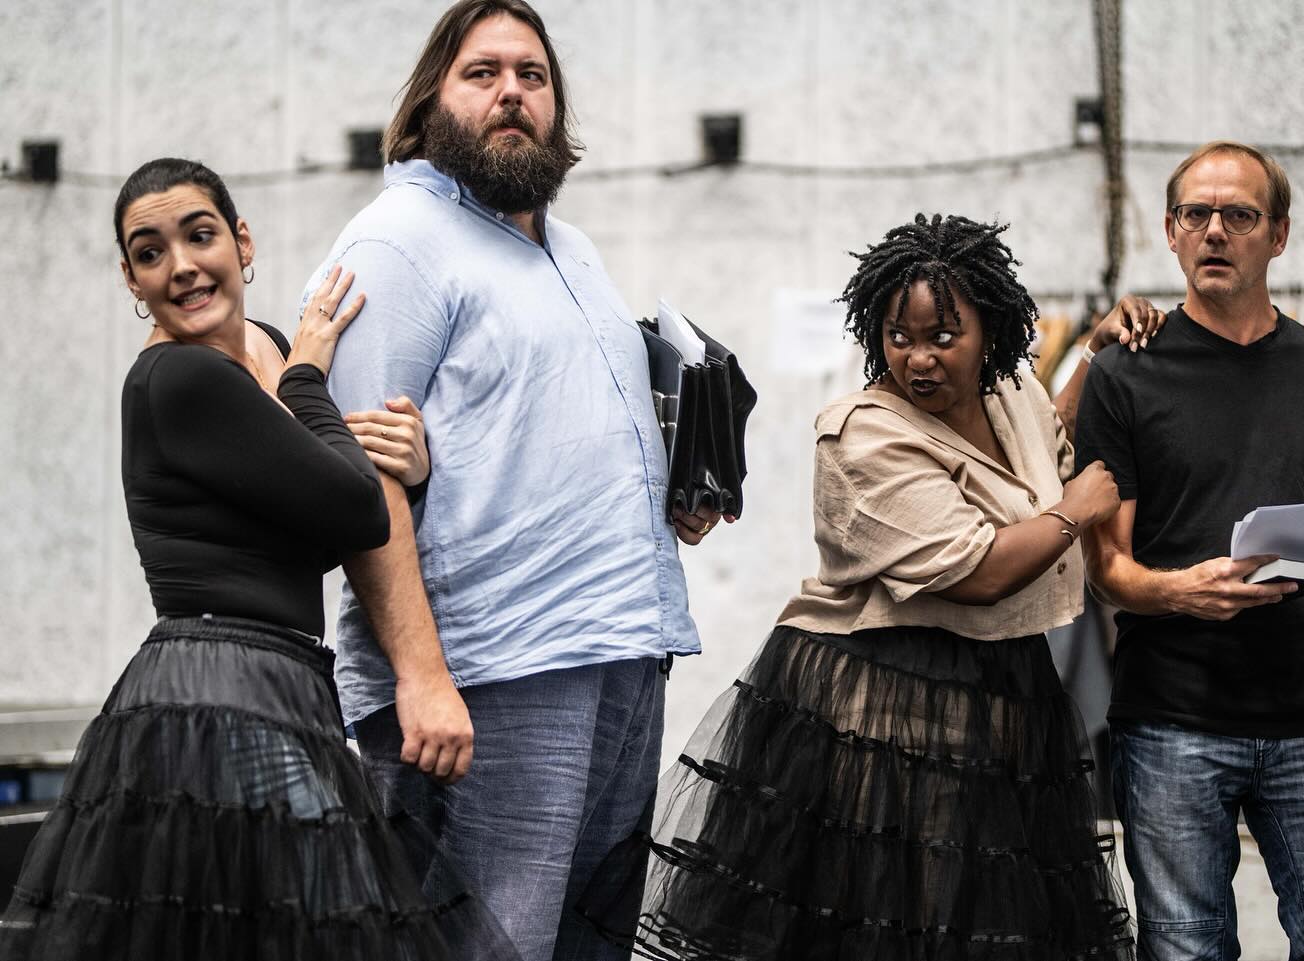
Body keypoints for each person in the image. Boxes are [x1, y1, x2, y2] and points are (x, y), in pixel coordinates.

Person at [579, 213, 1160, 960]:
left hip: (1002, 690)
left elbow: (1041, 444)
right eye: (898, 336)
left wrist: (1098, 351)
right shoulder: (861, 434)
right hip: (888, 702)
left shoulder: (1007, 391)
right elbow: (979, 569)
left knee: (986, 924)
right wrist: (1076, 513)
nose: (919, 359)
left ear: (995, 333)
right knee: (897, 919)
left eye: (943, 338)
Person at [0, 158, 517, 961]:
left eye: (199, 235)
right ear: (130, 281)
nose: (180, 266)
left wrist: (409, 470)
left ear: (242, 242)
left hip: (275, 681)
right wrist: (312, 374)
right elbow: (350, 505)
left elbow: (328, 524)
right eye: (149, 252)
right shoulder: (179, 377)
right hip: (216, 691)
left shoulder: (267, 350)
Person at [306, 2, 722, 959]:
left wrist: (668, 492)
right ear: (429, 102)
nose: (511, 94)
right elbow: (360, 479)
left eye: (531, 76)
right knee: (491, 946)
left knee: (588, 944)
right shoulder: (395, 243)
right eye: (482, 73)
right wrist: (419, 675)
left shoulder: (570, 249)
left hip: (621, 650)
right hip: (489, 676)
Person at [1077, 140, 1304, 961]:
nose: (1215, 231)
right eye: (1197, 214)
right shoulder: (1127, 375)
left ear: (1279, 234)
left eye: (1239, 214)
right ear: (1170, 231)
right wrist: (1180, 592)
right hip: (1170, 720)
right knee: (1186, 949)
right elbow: (1106, 570)